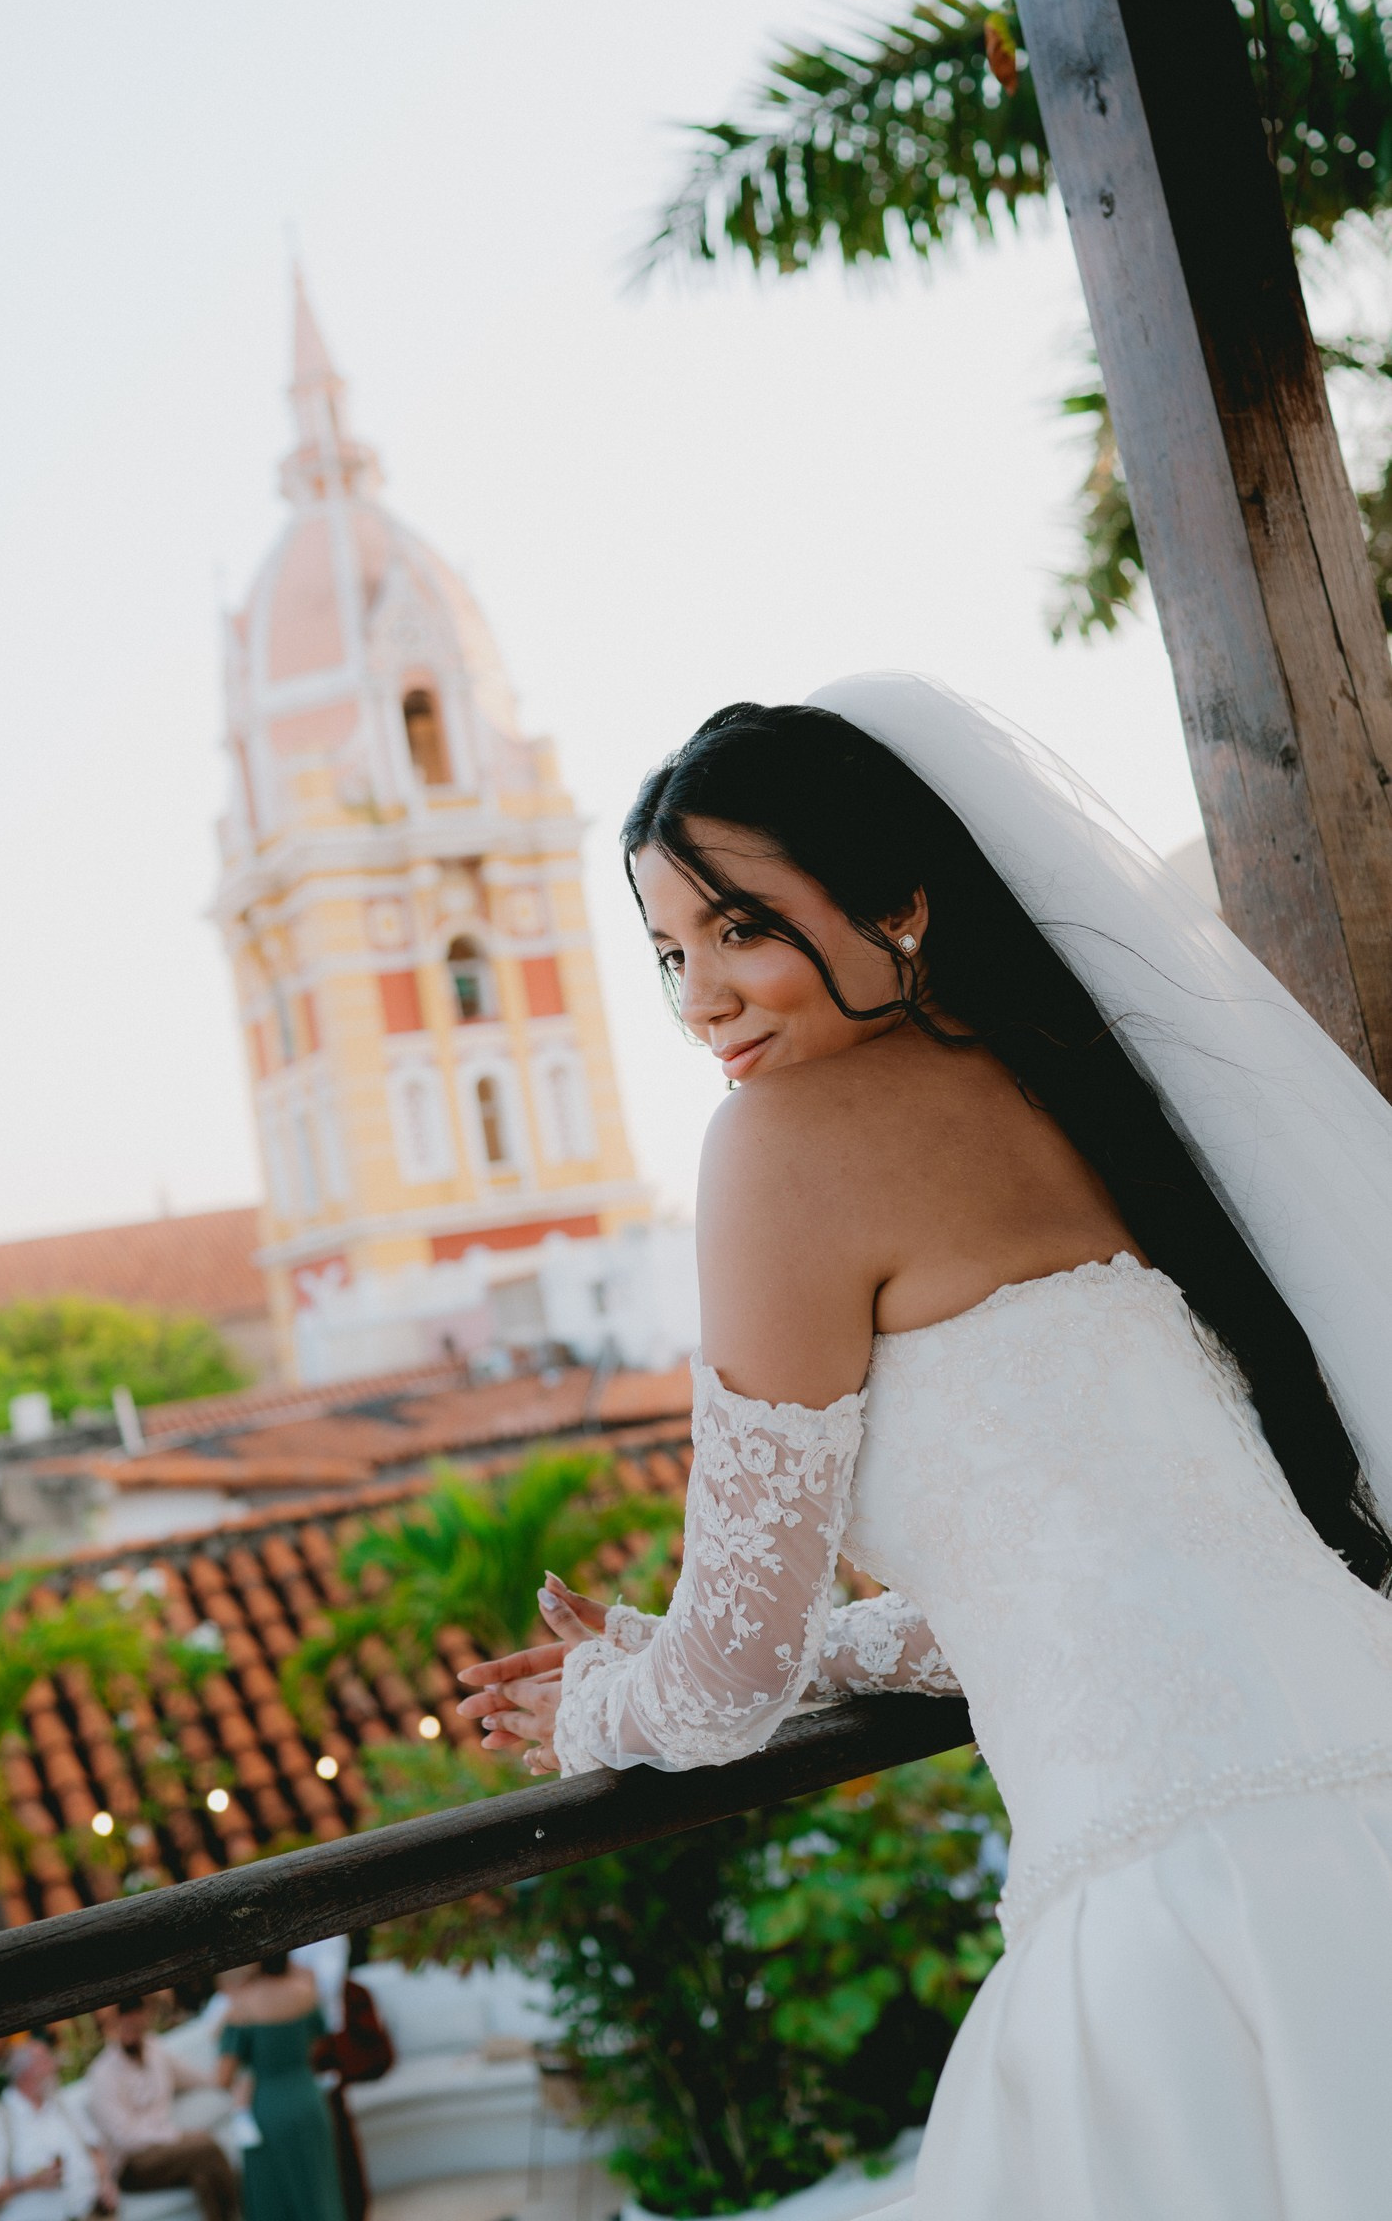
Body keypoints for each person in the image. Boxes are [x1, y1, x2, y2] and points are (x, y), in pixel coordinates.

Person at [458, 681, 1392, 2220]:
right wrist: (821, 1651)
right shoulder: (1079, 1091)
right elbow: (1069, 1573)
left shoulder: (778, 1146)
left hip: (1198, 1899)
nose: (701, 998)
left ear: (899, 900)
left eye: (742, 929)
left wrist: (592, 1711)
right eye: (669, 953)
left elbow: (719, 1690)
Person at [216, 1953, 348, 2221]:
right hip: (308, 2100)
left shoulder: (241, 2007)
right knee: (318, 2191)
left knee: (273, 2200)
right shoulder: (305, 1993)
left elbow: (223, 2077)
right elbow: (316, 2043)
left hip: (267, 2110)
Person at [86, 1997, 239, 2221]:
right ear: (116, 2025)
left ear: (145, 2021)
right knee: (205, 2147)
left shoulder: (154, 2049)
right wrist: (173, 2137)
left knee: (203, 2173)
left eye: (137, 2027)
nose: (132, 2033)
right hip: (131, 2164)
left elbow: (187, 2075)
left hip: (165, 2151)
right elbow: (124, 2137)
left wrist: (221, 2081)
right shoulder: (102, 2074)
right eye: (126, 2027)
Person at [0, 2039, 115, 2221]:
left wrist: (106, 2183)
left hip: (91, 2215)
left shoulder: (61, 2105)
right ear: (26, 2073)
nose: (54, 2066)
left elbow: (95, 2148)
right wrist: (29, 2183)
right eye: (46, 2061)